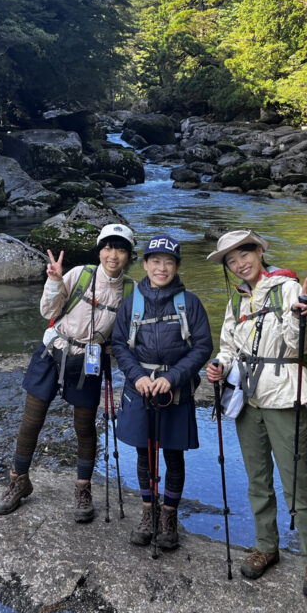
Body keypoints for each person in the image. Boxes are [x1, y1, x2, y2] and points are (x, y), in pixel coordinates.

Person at [204, 229, 307, 598]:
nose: (239, 264)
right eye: (231, 260)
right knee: (257, 480)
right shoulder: (237, 298)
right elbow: (229, 347)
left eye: (244, 254)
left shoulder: (288, 288)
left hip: (284, 397)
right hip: (247, 399)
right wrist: (219, 365)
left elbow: (302, 344)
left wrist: (300, 316)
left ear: (259, 251)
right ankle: (266, 546)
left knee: (297, 482)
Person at [0, 223, 137, 523]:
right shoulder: (80, 274)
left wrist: (114, 348)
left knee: (84, 427)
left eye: (120, 250)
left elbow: (129, 334)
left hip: (89, 362)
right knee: (31, 420)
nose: (113, 255)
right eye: (108, 248)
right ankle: (18, 480)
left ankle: (83, 489)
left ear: (129, 256)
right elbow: (49, 312)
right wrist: (55, 281)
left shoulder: (130, 291)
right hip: (53, 352)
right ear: (99, 251)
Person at [111, 235, 213, 550]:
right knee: (144, 453)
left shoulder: (189, 303)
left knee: (173, 453)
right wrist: (138, 376)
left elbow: (203, 347)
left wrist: (173, 377)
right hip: (140, 389)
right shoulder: (131, 303)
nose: (161, 268)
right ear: (144, 265)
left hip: (175, 391)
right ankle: (148, 512)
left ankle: (169, 515)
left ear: (177, 267)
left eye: (169, 262)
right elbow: (119, 345)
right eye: (155, 261)